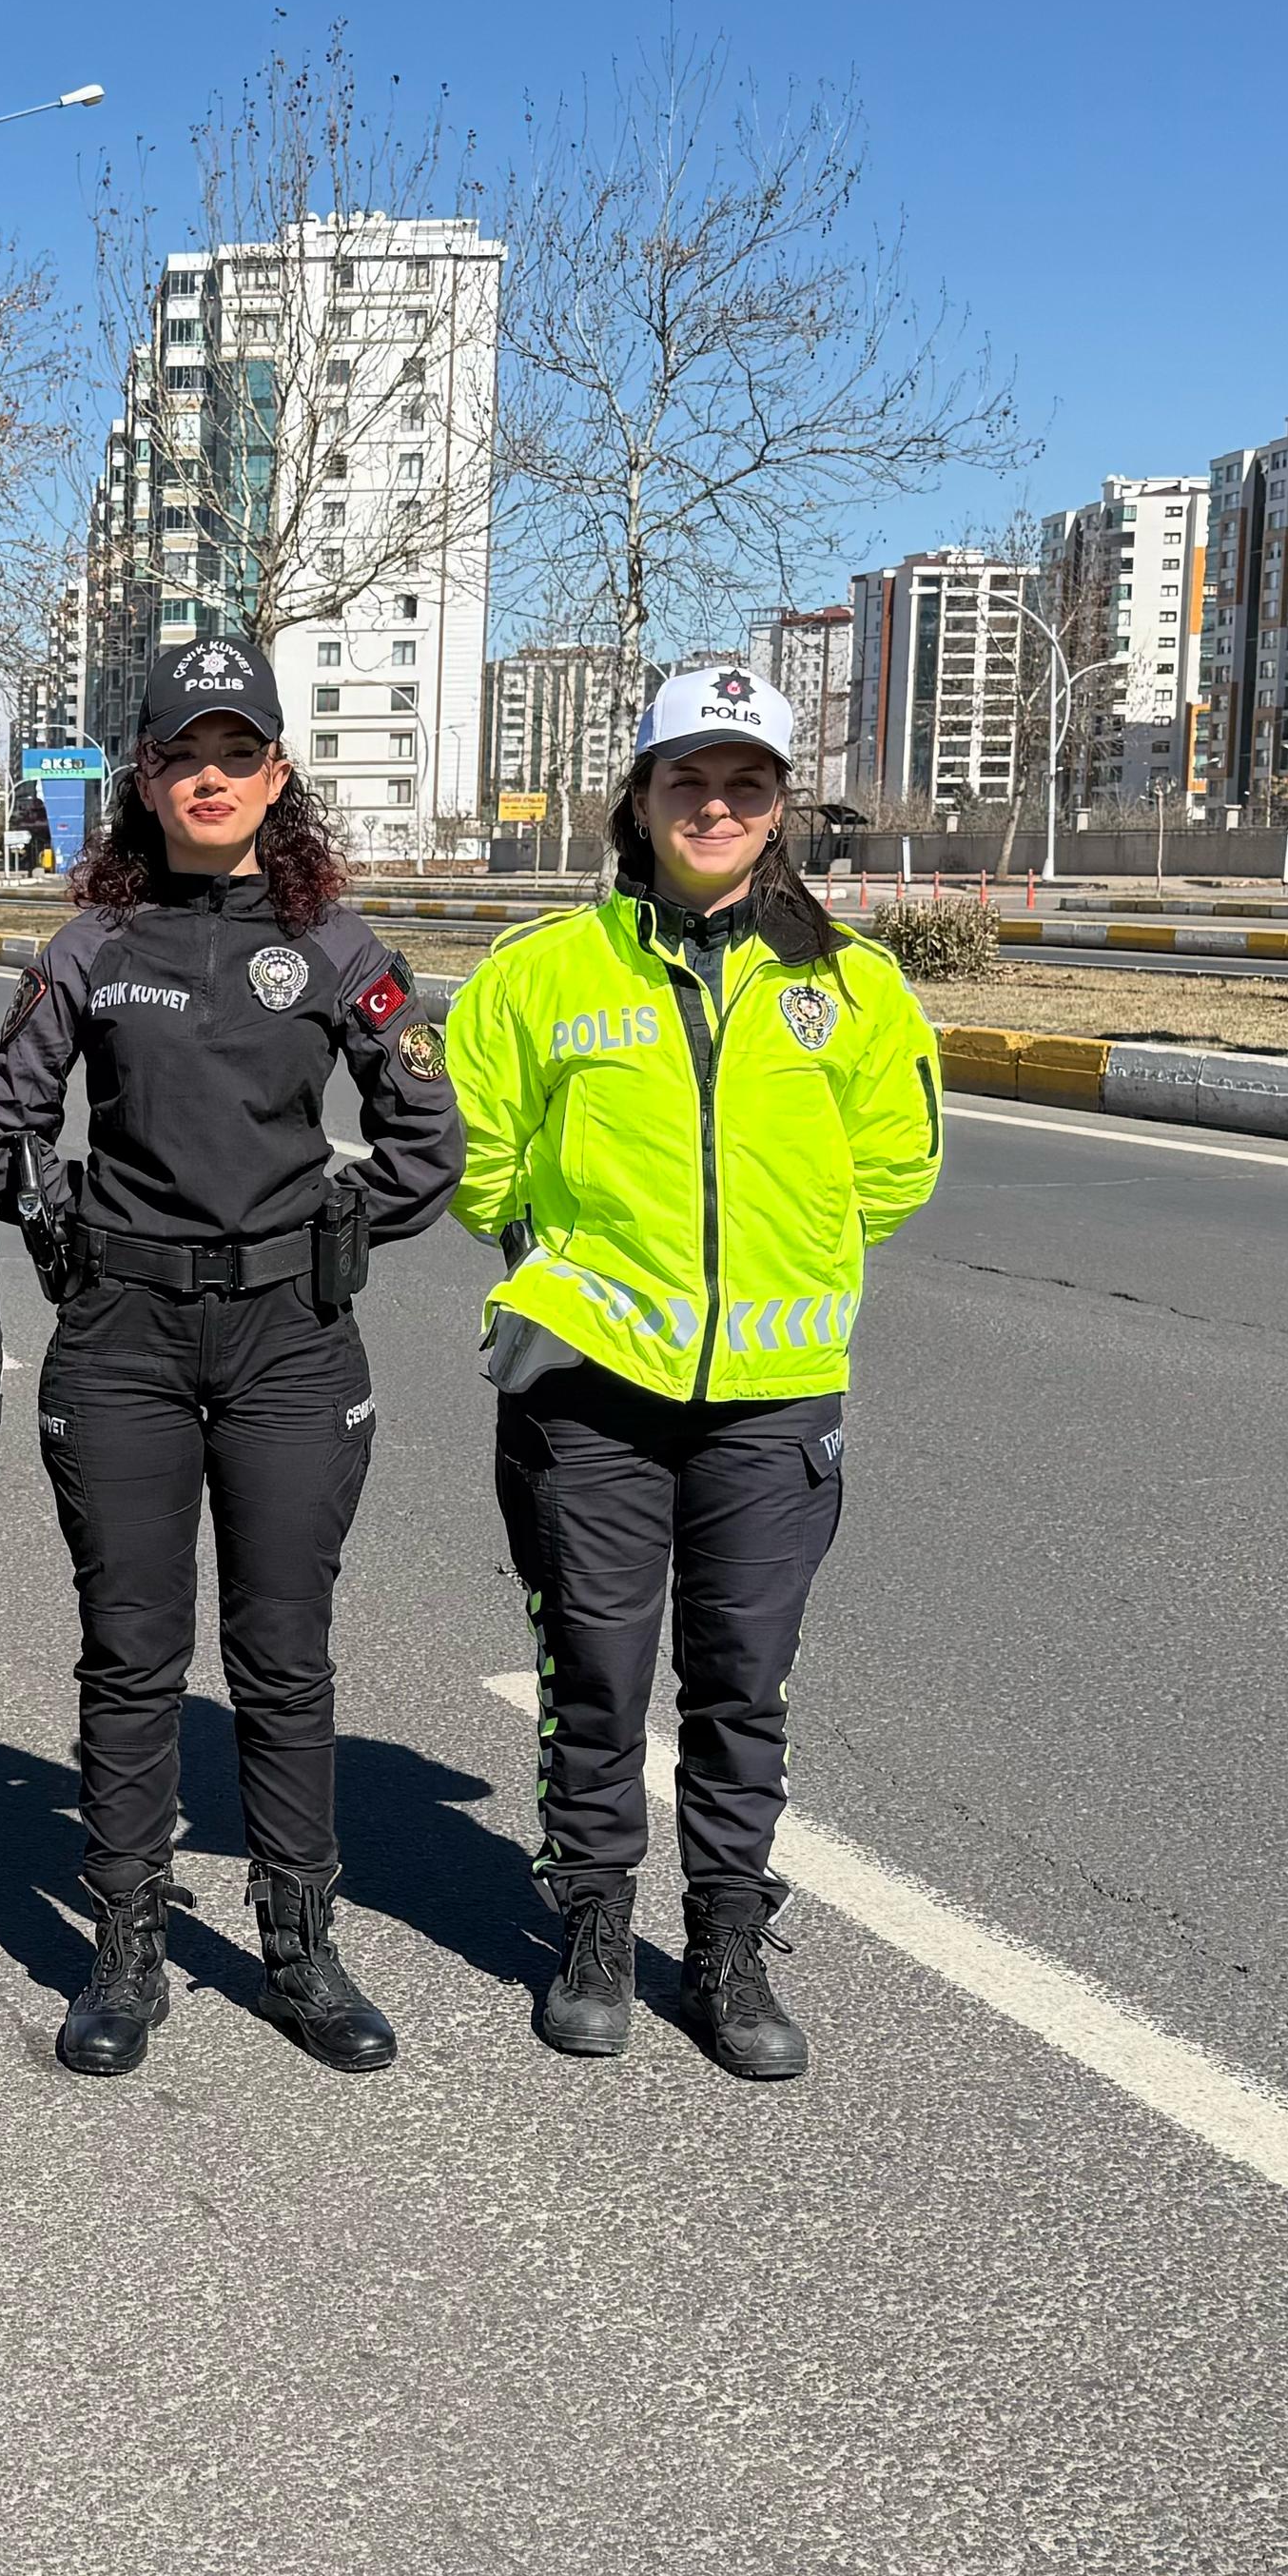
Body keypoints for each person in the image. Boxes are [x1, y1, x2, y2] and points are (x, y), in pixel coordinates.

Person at [446, 664, 942, 2080]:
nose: (715, 807)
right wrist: (566, 1265)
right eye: (689, 780)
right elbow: (478, 1157)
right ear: (640, 798)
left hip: (774, 1402)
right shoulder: (543, 973)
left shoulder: (852, 985)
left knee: (741, 1683)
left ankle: (726, 1938)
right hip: (588, 1390)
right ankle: (594, 1925)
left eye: (746, 785)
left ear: (780, 809)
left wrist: (782, 1264)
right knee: (596, 1676)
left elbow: (896, 1167)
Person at [0, 637, 459, 2082]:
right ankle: (126, 1945)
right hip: (122, 1341)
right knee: (133, 1653)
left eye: (235, 754)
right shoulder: (91, 950)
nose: (209, 778)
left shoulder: (337, 948)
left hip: (287, 1345)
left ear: (276, 774)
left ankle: (300, 1945)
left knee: (283, 1653)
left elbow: (427, 1138)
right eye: (183, 754)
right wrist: (55, 1219)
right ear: (144, 777)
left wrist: (336, 1231)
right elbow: (0, 1125)